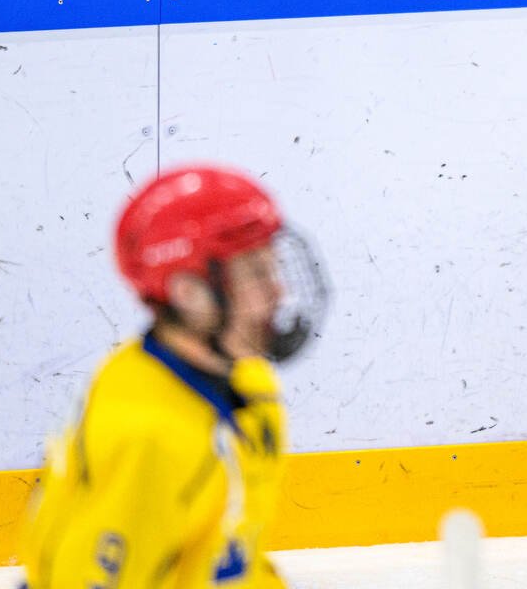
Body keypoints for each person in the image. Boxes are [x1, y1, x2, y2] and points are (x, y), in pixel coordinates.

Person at [19, 164, 327, 589]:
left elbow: (231, 552)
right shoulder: (150, 438)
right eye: (255, 273)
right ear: (188, 292)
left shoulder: (250, 383)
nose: (278, 292)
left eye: (272, 267)